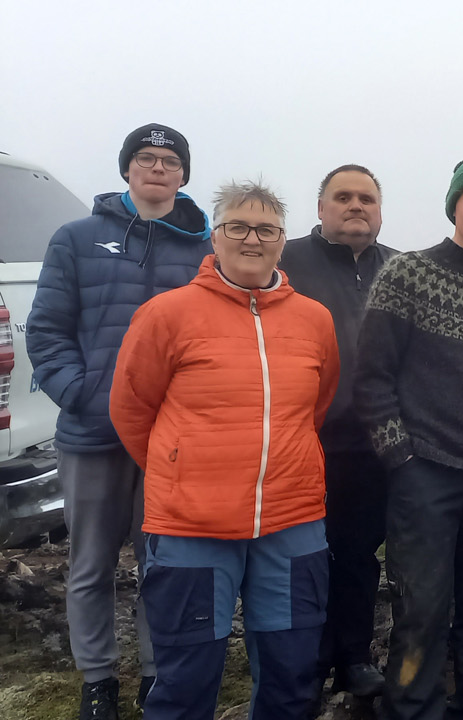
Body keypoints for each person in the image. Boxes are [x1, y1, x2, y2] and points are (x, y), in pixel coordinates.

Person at [109, 181, 339, 720]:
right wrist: (180, 469)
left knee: (290, 674)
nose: (251, 239)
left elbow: (316, 406)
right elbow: (132, 409)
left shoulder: (315, 320)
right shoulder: (167, 314)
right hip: (193, 524)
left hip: (291, 518)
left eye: (265, 229)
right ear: (216, 237)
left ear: (283, 240)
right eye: (238, 226)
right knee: (186, 678)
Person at [27, 122, 212, 719]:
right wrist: (82, 394)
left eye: (169, 161)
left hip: (169, 439)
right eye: (146, 158)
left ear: (184, 174)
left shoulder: (205, 247)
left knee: (162, 561)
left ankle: (156, 673)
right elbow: (48, 332)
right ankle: (98, 678)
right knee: (91, 563)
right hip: (93, 433)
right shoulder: (77, 238)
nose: (157, 169)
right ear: (127, 168)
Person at [355, 157, 463, 720]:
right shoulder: (407, 275)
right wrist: (399, 456)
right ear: (455, 205)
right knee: (423, 606)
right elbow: (372, 376)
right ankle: (412, 708)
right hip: (425, 470)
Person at [277, 165, 398, 699]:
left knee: (355, 555)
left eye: (366, 198)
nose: (356, 206)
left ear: (379, 209)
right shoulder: (286, 262)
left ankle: (352, 657)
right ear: (321, 208)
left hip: (372, 444)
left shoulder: (399, 269)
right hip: (301, 440)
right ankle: (301, 666)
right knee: (297, 558)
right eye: (343, 197)